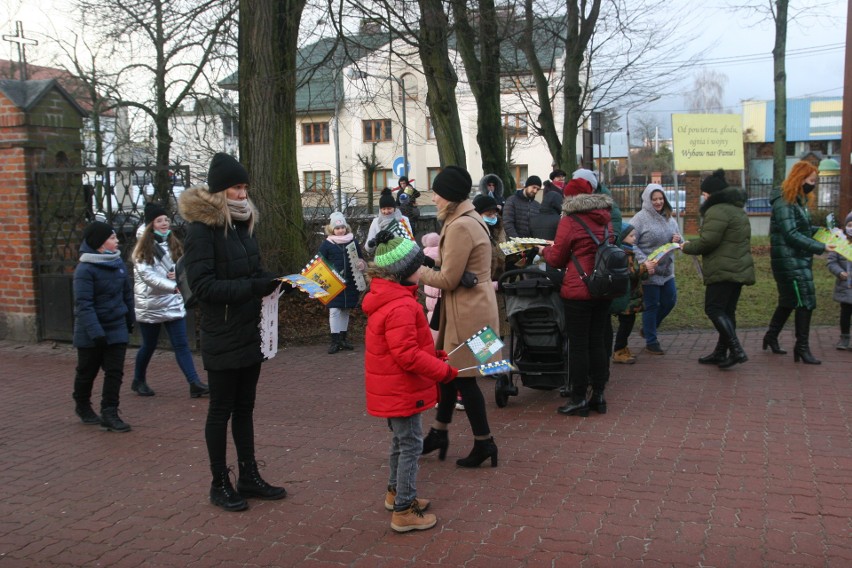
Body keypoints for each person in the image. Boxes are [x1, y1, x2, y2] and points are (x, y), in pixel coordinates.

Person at [179, 152, 287, 512]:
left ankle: (249, 476)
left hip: (249, 329)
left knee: (245, 407)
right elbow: (204, 288)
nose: (243, 194)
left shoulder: (243, 225)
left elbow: (253, 270)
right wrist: (252, 288)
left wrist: (276, 282)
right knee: (221, 409)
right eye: (236, 188)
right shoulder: (200, 230)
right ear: (220, 190)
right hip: (222, 333)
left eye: (244, 187)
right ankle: (218, 482)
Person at [362, 230, 459, 533]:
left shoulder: (389, 298)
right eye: (418, 266)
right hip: (401, 389)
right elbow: (407, 355)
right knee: (411, 444)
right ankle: (404, 507)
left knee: (401, 441)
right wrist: (442, 372)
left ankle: (395, 493)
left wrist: (436, 355)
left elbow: (409, 347)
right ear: (403, 273)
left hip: (393, 388)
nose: (423, 271)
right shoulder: (402, 306)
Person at [417, 165, 500, 468]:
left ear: (450, 196)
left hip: (468, 314)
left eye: (438, 193)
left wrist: (418, 271)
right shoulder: (468, 218)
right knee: (450, 375)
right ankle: (440, 432)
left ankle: (485, 442)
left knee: (465, 379)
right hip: (477, 310)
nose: (434, 198)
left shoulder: (460, 226)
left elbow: (449, 279)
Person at [539, 177, 614, 416]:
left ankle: (579, 398)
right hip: (602, 287)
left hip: (578, 289)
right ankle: (599, 396)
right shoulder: (605, 219)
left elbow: (557, 258)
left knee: (579, 345)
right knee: (597, 342)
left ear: (569, 198)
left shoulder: (570, 221)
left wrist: (544, 250)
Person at [131, 202, 209, 398]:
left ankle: (194, 383)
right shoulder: (143, 248)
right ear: (150, 224)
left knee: (181, 344)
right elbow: (147, 275)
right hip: (151, 304)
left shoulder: (173, 243)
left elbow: (181, 266)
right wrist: (171, 285)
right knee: (148, 346)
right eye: (159, 220)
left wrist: (179, 279)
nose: (164, 223)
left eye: (166, 219)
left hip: (172, 302)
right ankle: (138, 380)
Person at [681, 169, 755, 369]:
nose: (703, 197)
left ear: (711, 194)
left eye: (704, 194)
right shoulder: (737, 209)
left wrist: (687, 247)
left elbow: (709, 242)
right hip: (738, 268)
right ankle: (722, 352)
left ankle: (736, 349)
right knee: (727, 311)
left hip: (723, 269)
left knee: (713, 308)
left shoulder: (717, 211)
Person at [762, 161, 835, 364]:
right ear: (799, 179)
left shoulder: (796, 201)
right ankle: (801, 348)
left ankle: (771, 336)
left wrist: (824, 234)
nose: (813, 184)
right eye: (811, 180)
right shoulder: (785, 201)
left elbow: (803, 229)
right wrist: (821, 247)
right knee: (805, 301)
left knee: (788, 300)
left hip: (796, 259)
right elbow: (791, 234)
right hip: (789, 261)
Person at [72, 221, 135, 432]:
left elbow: (127, 293)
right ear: (99, 243)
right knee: (86, 371)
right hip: (92, 330)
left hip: (116, 325)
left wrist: (130, 318)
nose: (117, 241)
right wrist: (96, 333)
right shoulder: (85, 269)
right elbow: (84, 304)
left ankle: (110, 412)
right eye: (112, 238)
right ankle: (82, 404)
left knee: (115, 371)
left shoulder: (117, 263)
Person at [630, 183, 682, 355]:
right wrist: (644, 262)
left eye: (660, 199)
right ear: (647, 200)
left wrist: (678, 238)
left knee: (670, 300)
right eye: (654, 199)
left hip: (666, 270)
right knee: (651, 305)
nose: (658, 202)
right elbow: (630, 243)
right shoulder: (639, 219)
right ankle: (652, 341)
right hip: (649, 271)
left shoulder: (669, 218)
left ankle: (648, 328)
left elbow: (678, 240)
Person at [318, 211, 366, 354]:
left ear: (346, 228)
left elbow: (361, 258)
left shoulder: (353, 242)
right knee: (334, 310)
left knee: (345, 310)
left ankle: (343, 338)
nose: (340, 230)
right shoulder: (327, 244)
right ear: (332, 229)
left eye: (342, 227)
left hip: (350, 282)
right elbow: (320, 261)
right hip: (334, 283)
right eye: (337, 228)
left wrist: (361, 265)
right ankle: (335, 340)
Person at [610, 224, 656, 364]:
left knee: (628, 323)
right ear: (623, 238)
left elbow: (635, 273)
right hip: (626, 296)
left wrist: (646, 271)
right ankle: (619, 350)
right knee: (626, 324)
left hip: (631, 295)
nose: (634, 238)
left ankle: (622, 348)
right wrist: (644, 268)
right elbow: (629, 273)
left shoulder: (629, 251)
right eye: (631, 236)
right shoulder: (623, 253)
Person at [826, 211, 852, 350]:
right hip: (845, 286)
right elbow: (831, 262)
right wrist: (839, 272)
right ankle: (844, 337)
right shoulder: (840, 243)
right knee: (846, 313)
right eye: (849, 224)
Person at [365, 188, 412, 254]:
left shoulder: (403, 220)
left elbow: (410, 240)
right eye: (383, 209)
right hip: (383, 258)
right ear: (380, 209)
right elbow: (368, 249)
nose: (386, 211)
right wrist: (372, 243)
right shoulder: (376, 222)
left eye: (389, 208)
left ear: (394, 208)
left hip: (402, 257)